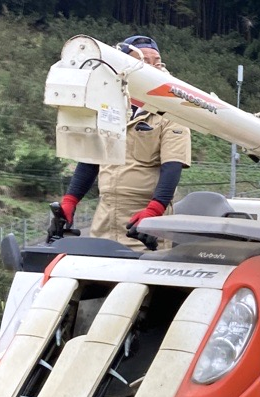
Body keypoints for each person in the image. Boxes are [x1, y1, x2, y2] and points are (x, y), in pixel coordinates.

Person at [56, 35, 191, 250]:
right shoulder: (109, 106)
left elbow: (172, 167)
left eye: (157, 62)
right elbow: (91, 160)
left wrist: (154, 211)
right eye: (144, 62)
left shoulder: (173, 112)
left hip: (144, 223)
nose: (153, 67)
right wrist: (70, 201)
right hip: (105, 218)